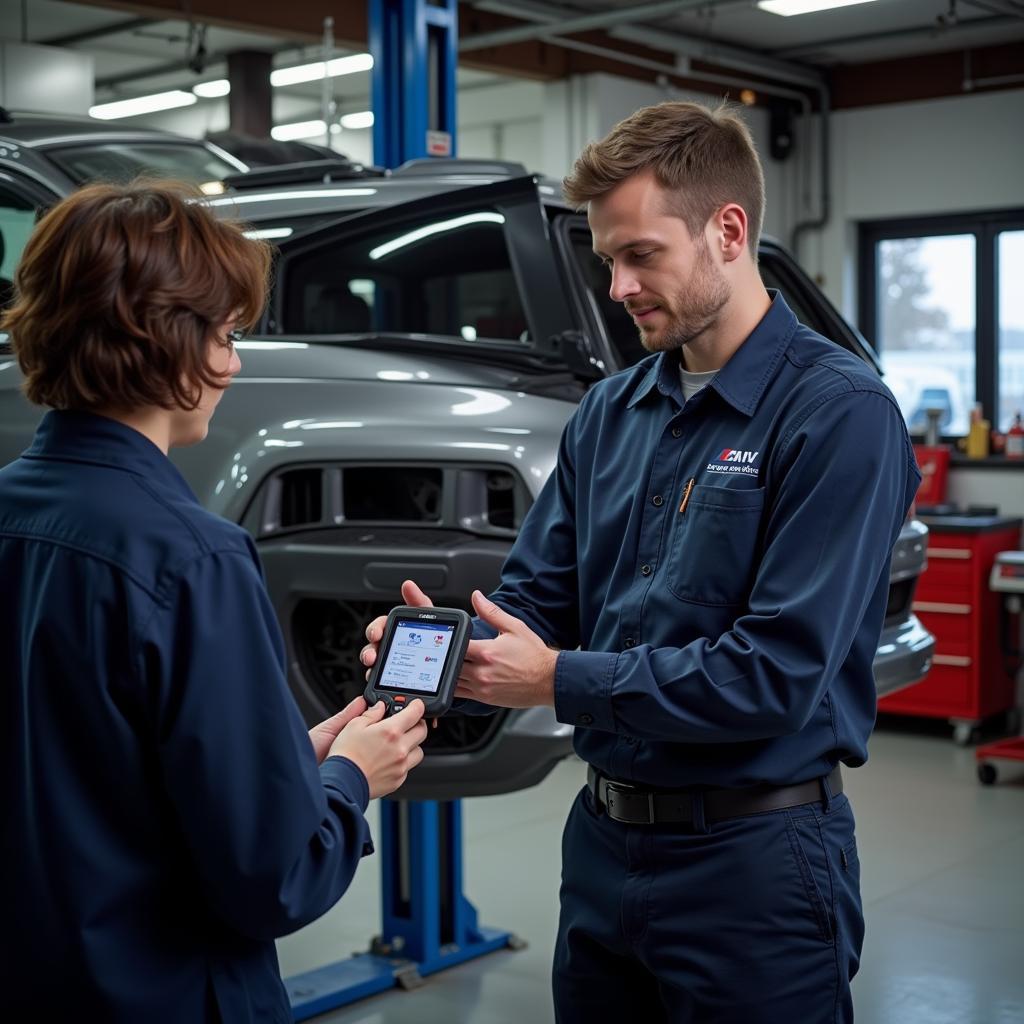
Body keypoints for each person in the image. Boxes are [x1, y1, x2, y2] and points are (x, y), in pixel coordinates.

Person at [362, 101, 920, 1023]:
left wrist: (556, 682)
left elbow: (775, 675)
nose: (617, 287)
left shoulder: (839, 414)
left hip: (755, 864)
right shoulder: (611, 412)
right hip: (604, 850)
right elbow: (540, 600)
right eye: (607, 261)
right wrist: (453, 654)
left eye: (640, 255)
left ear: (728, 231)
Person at [0, 181, 428, 1021]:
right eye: (226, 335)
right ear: (158, 339)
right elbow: (275, 877)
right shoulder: (193, 559)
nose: (233, 365)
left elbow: (80, 773)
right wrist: (349, 780)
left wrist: (283, 765)